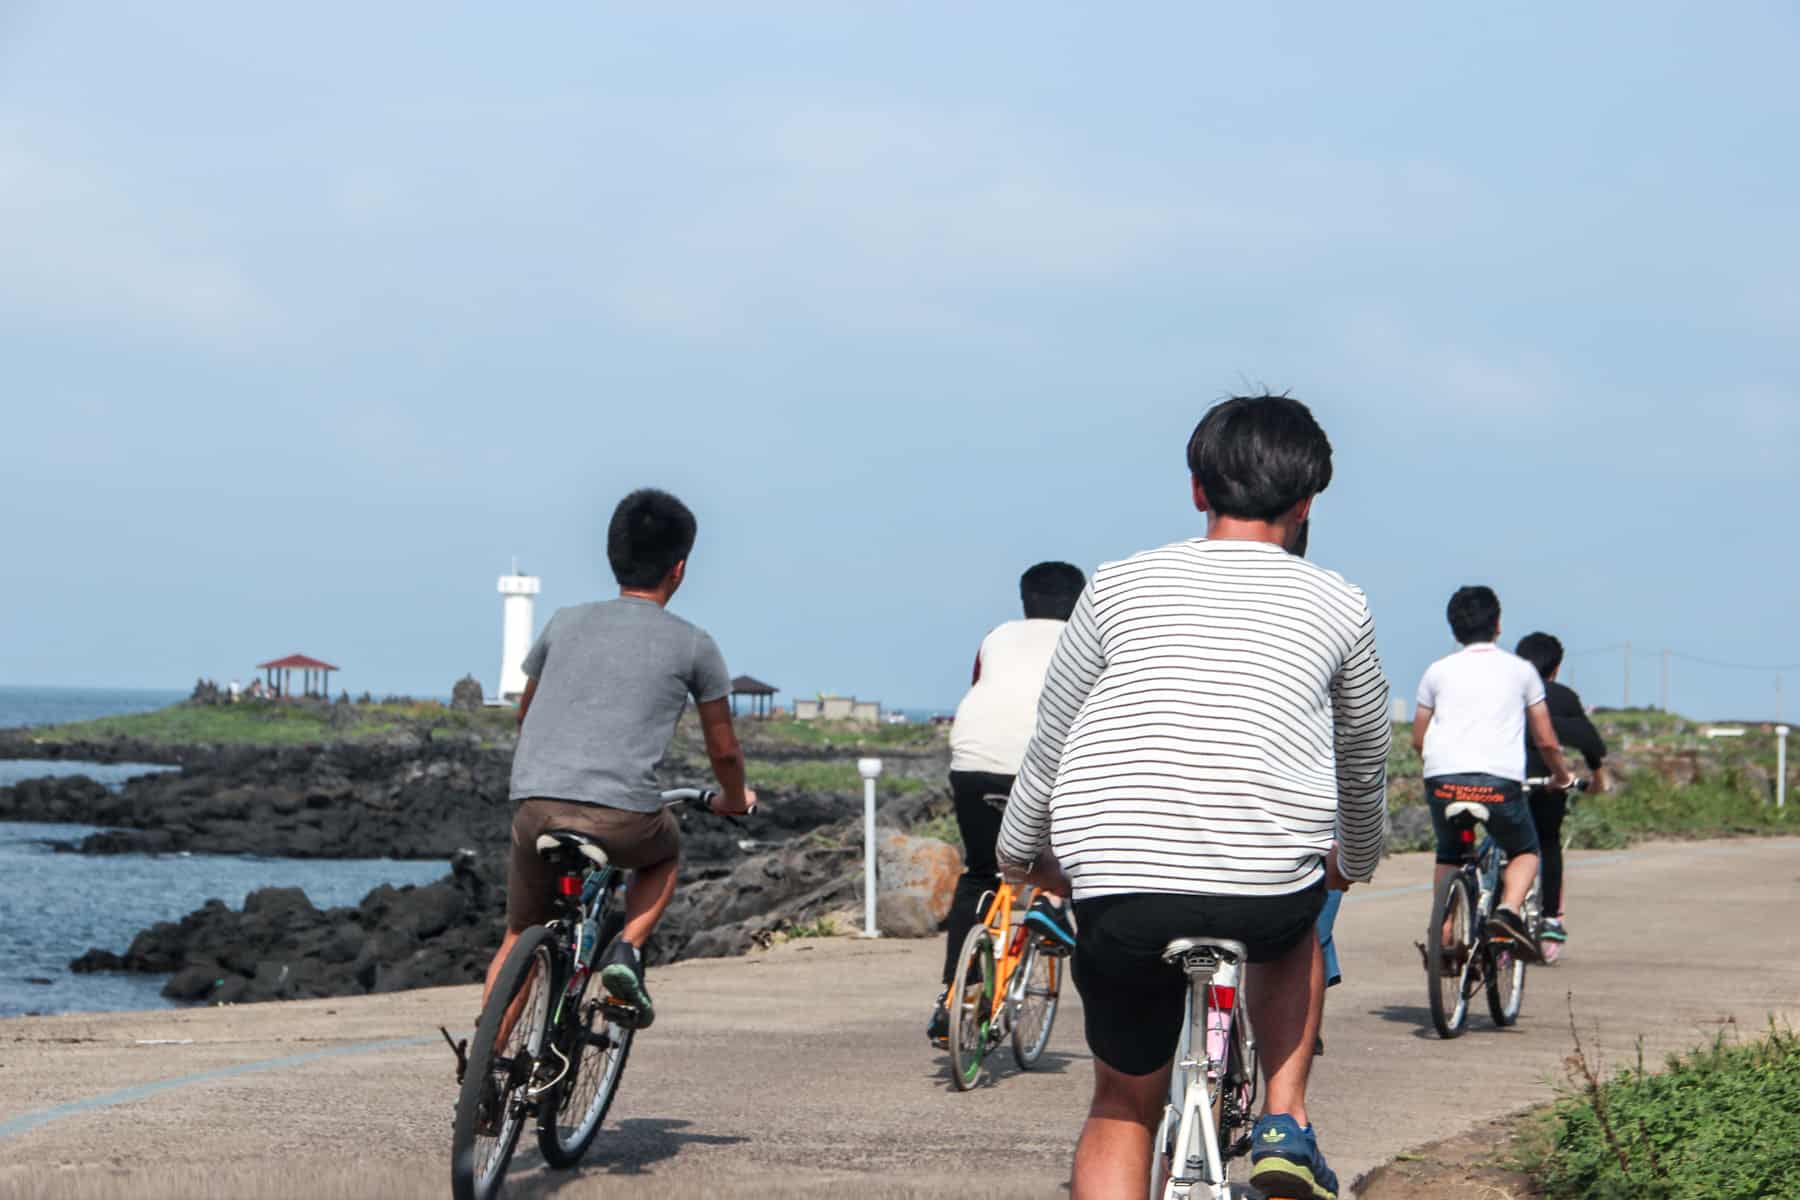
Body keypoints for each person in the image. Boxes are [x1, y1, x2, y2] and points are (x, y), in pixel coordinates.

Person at [997, 395, 1392, 1200]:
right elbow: (1363, 752)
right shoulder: (1338, 601)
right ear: (1309, 499)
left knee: (1121, 1105)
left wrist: (1018, 855)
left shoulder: (1114, 587)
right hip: (1261, 890)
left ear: (1197, 489)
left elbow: (1053, 736)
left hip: (1120, 882)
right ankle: (1285, 1119)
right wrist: (1355, 859)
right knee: (1296, 926)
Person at [481, 488, 757, 1032]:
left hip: (537, 805)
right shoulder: (694, 644)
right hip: (624, 818)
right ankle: (626, 949)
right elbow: (723, 748)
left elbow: (524, 715)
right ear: (678, 569)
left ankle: (483, 1074)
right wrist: (731, 799)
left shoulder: (563, 621)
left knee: (520, 932)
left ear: (613, 554)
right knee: (664, 851)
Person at [927, 561, 1085, 1044]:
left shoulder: (997, 636)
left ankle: (953, 996)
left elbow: (983, 686)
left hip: (974, 758)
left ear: (1024, 602)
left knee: (979, 873)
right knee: (1074, 854)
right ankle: (1051, 901)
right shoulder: (1086, 637)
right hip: (1041, 760)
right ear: (1079, 603)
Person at [1412, 588, 1573, 962]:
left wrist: (1436, 764)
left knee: (1449, 854)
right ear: (1498, 625)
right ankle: (1508, 911)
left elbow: (1419, 737)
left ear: (1453, 629)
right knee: (1525, 850)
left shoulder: (1436, 671)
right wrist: (1561, 776)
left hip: (1443, 779)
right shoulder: (1522, 672)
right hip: (1498, 784)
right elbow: (1546, 741)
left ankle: (1445, 934)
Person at [1513, 632, 1609, 953]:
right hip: (1546, 783)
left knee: (1506, 845)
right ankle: (1551, 918)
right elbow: (1589, 742)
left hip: (1500, 781)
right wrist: (1597, 779)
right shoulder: (1564, 697)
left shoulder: (1504, 692)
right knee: (1548, 842)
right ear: (1555, 668)